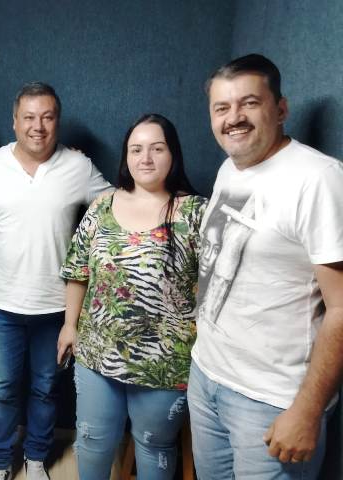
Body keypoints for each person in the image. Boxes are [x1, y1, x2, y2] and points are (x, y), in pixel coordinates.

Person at [188, 53, 343, 479]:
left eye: (249, 103)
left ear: (281, 108)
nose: (233, 118)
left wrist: (306, 410)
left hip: (272, 400)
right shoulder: (230, 168)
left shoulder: (318, 179)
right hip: (208, 376)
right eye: (221, 107)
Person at [0, 82, 111, 480]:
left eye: (47, 117)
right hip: (1, 305)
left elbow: (119, 204)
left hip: (56, 309)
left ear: (57, 122)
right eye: (29, 117)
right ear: (14, 121)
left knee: (46, 389)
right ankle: (0, 462)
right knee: (0, 389)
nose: (38, 126)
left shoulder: (78, 166)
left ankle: (35, 458)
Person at [58, 114, 206, 480]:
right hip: (96, 353)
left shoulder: (196, 212)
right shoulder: (102, 205)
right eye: (136, 149)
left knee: (154, 445)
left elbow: (214, 289)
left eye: (157, 148)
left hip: (165, 362)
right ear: (126, 156)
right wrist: (69, 325)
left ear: (173, 154)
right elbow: (78, 270)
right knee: (92, 441)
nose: (146, 158)